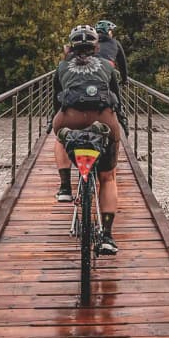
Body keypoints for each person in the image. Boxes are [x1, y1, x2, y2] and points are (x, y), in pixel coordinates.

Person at [52, 25, 123, 254]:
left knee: (59, 137)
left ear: (71, 46)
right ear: (96, 46)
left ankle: (64, 186)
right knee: (108, 177)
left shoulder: (62, 67)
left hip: (69, 119)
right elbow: (117, 100)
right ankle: (108, 236)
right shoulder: (107, 66)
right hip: (103, 120)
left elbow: (57, 99)